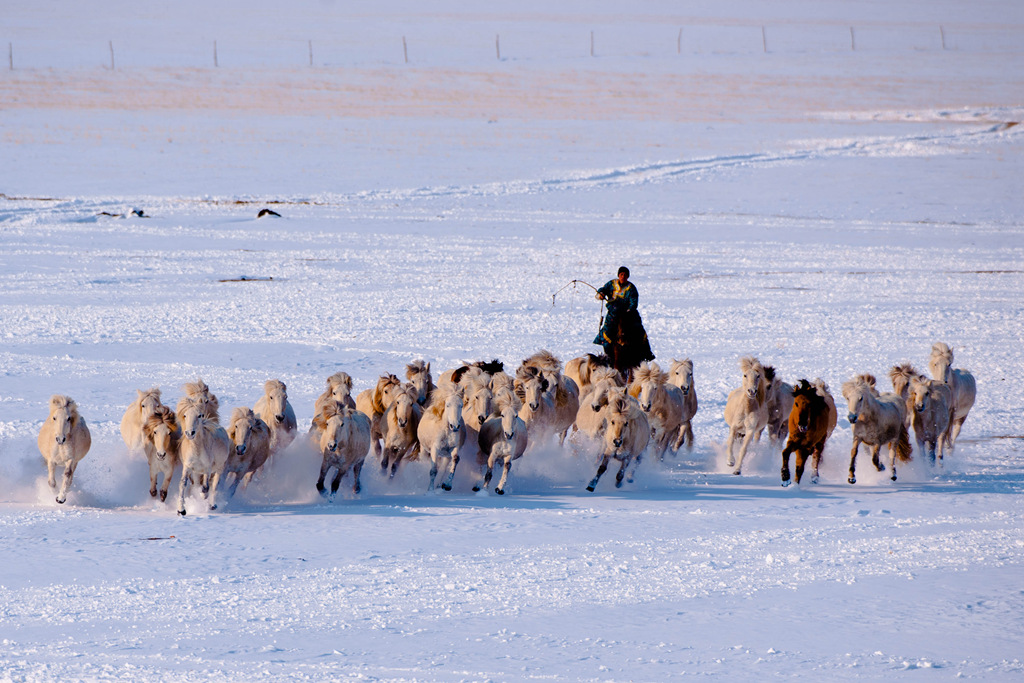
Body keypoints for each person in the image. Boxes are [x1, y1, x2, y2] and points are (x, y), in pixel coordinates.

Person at [593, 266, 655, 364]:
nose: (623, 276)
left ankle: (646, 353)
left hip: (628, 314)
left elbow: (633, 302)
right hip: (613, 314)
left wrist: (628, 311)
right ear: (618, 275)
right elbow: (602, 289)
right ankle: (607, 354)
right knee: (606, 331)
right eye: (621, 274)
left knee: (639, 330)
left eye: (625, 275)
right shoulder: (611, 284)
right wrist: (601, 294)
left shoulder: (631, 288)